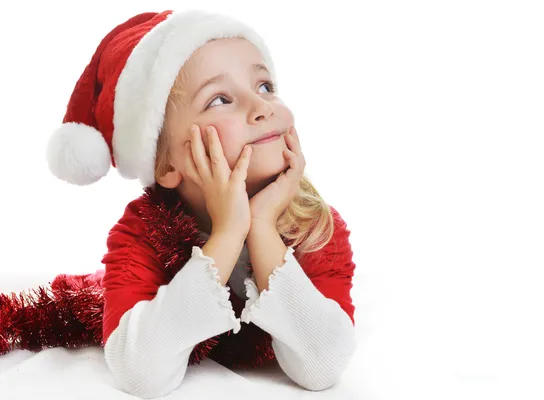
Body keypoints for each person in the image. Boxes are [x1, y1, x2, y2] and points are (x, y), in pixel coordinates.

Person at [0, 9, 356, 398]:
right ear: (167, 163)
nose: (262, 107)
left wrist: (262, 226)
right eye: (220, 99)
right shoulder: (143, 233)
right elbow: (141, 375)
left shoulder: (316, 225)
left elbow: (322, 366)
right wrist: (228, 232)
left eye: (265, 86)